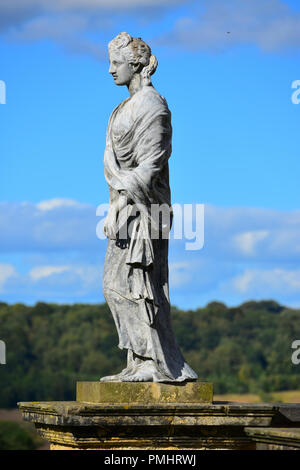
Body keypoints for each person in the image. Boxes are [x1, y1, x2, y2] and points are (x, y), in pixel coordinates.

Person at [100, 32, 197, 383]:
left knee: (139, 284)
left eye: (115, 63)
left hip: (147, 210)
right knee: (116, 284)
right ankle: (138, 358)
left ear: (135, 64)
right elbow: (117, 166)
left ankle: (154, 363)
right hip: (125, 209)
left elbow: (151, 166)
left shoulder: (153, 106)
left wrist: (121, 204)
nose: (110, 70)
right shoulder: (122, 108)